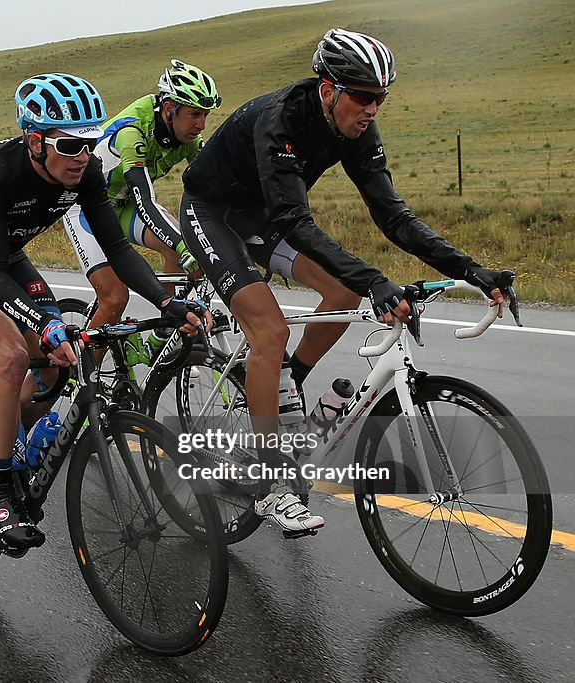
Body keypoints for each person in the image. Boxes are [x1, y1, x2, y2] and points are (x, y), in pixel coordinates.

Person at [179, 28, 513, 536]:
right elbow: (294, 221)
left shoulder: (358, 129)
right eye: (362, 96)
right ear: (328, 88)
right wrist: (379, 279)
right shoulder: (282, 118)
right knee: (269, 330)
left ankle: (285, 380)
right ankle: (271, 486)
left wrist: (470, 269)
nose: (372, 109)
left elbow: (394, 218)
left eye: (380, 98)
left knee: (343, 292)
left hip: (264, 216)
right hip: (214, 213)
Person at [0, 73, 206, 551]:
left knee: (60, 356)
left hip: (3, 252)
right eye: (69, 145)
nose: (83, 156)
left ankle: (16, 427)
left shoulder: (85, 172)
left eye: (89, 143)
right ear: (35, 141)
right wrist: (44, 324)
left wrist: (167, 301)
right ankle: (2, 490)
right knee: (11, 356)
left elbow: (115, 247)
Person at [61, 60, 221, 364]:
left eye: (205, 116)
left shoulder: (187, 139)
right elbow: (146, 201)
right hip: (85, 207)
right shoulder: (133, 131)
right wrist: (185, 246)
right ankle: (84, 380)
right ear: (170, 108)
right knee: (115, 296)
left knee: (179, 245)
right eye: (195, 115)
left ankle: (163, 337)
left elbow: (218, 187)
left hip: (122, 206)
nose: (201, 125)